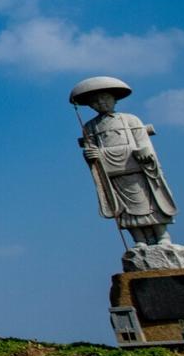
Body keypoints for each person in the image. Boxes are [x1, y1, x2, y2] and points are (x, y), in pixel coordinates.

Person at [72, 76, 178, 246]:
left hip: (137, 169)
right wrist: (91, 156)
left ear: (114, 99)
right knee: (122, 207)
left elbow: (143, 142)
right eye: (96, 102)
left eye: (105, 99)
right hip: (114, 176)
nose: (101, 103)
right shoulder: (90, 126)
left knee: (150, 201)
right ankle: (139, 239)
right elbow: (91, 150)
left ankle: (162, 236)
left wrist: (144, 152)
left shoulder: (130, 119)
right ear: (91, 105)